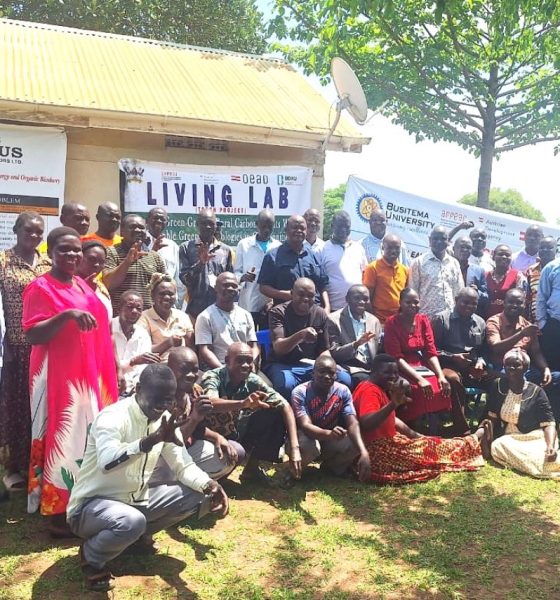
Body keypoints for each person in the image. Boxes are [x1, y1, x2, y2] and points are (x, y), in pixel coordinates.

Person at [67, 364, 228, 592]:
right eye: (157, 399)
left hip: (133, 501)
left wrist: (210, 484)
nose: (163, 405)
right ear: (138, 389)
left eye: (168, 400)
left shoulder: (165, 420)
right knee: (131, 521)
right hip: (89, 508)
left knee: (196, 494)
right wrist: (150, 441)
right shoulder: (113, 417)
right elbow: (107, 462)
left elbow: (182, 465)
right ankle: (91, 556)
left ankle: (133, 540)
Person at [23, 226, 118, 536]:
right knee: (64, 437)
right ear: (50, 252)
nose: (72, 254)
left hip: (87, 374)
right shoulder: (40, 287)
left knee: (85, 437)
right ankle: (57, 513)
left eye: (76, 249)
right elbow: (33, 334)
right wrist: (67, 315)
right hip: (58, 376)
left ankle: (82, 499)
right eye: (64, 249)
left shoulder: (81, 284)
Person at [353, 354, 488, 484]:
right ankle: (474, 440)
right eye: (387, 372)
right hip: (379, 452)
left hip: (391, 442)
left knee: (430, 444)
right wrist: (393, 404)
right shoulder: (370, 391)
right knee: (431, 454)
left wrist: (416, 436)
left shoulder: (378, 388)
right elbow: (367, 423)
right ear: (373, 371)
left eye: (395, 372)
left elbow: (392, 419)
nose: (393, 376)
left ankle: (473, 442)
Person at [201, 342, 302, 484]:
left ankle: (251, 470)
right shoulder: (213, 377)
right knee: (235, 450)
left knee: (275, 412)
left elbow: (285, 406)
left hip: (238, 431)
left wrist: (294, 448)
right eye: (240, 361)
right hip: (210, 434)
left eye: (249, 361)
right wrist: (242, 404)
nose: (245, 365)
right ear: (227, 361)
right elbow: (210, 403)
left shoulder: (253, 380)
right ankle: (215, 479)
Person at [0, 212, 51, 492]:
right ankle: (13, 467)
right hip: (16, 348)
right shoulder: (3, 262)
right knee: (16, 407)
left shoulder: (48, 263)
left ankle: (39, 464)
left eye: (38, 232)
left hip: (45, 346)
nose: (34, 236)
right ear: (16, 230)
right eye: (28, 231)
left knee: (40, 406)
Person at [150, 347, 245, 484]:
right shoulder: (157, 397)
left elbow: (198, 429)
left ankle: (194, 484)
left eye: (194, 370)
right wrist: (194, 418)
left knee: (233, 452)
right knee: (168, 470)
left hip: (183, 451)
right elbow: (168, 445)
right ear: (169, 369)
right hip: (157, 459)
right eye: (184, 369)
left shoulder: (195, 391)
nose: (191, 375)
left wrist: (217, 437)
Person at [264, 278, 352, 400]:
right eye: (301, 294)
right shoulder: (278, 312)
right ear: (292, 293)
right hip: (283, 364)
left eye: (310, 296)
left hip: (310, 364)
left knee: (344, 378)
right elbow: (279, 348)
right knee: (286, 384)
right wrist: (300, 336)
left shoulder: (320, 313)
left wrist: (330, 365)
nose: (306, 299)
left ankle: (325, 410)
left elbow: (324, 350)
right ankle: (291, 412)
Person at [289, 355, 370, 481]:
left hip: (328, 438)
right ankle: (292, 472)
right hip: (305, 437)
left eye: (331, 373)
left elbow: (353, 423)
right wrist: (329, 434)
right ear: (313, 373)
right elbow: (305, 426)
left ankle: (329, 469)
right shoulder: (300, 392)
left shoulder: (343, 391)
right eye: (322, 372)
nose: (327, 376)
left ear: (336, 375)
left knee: (355, 443)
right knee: (310, 446)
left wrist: (364, 452)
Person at [383, 288, 451, 434]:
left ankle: (434, 430)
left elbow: (431, 351)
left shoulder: (423, 320)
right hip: (399, 366)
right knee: (415, 388)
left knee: (437, 385)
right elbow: (396, 357)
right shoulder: (391, 323)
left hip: (420, 363)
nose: (413, 305)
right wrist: (420, 379)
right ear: (400, 303)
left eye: (416, 302)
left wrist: (440, 375)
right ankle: (413, 429)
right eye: (408, 302)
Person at [431, 287, 498, 435]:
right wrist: (452, 357)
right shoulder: (441, 319)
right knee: (452, 379)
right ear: (456, 300)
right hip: (448, 365)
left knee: (499, 381)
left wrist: (481, 361)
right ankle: (462, 429)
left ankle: (485, 425)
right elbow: (431, 350)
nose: (469, 306)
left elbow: (484, 350)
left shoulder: (480, 322)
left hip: (473, 367)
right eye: (465, 302)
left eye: (474, 303)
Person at [487, 349, 560, 479]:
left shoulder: (537, 392)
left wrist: (550, 445)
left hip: (534, 437)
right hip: (510, 439)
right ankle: (541, 467)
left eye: (516, 365)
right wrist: (479, 435)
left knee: (544, 454)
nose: (511, 368)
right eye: (508, 365)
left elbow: (549, 423)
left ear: (525, 368)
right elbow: (491, 417)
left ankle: (545, 463)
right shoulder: (498, 385)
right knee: (498, 445)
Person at [485, 289, 559, 414]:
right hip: (502, 367)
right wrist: (521, 334)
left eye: (519, 303)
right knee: (518, 376)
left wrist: (545, 369)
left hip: (526, 368)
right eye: (511, 302)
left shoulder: (527, 325)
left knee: (556, 378)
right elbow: (496, 348)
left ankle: (549, 418)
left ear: (524, 305)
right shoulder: (494, 322)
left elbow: (536, 352)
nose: (514, 305)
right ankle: (516, 417)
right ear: (504, 303)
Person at [258, 215, 329, 309]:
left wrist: (327, 307)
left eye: (302, 228)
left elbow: (323, 286)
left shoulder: (314, 256)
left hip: (314, 311)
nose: (299, 231)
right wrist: (286, 295)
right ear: (286, 230)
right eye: (295, 227)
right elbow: (263, 287)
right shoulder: (272, 256)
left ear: (306, 231)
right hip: (286, 311)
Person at [103, 214, 166, 313]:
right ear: (122, 231)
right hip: (120, 316)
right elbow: (108, 283)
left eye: (141, 227)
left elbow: (164, 286)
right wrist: (127, 262)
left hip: (148, 317)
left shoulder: (154, 256)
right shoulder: (111, 252)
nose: (137, 230)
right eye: (132, 227)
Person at [179, 208, 234, 320]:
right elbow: (185, 280)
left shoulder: (226, 250)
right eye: (204, 223)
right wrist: (201, 264)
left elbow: (230, 281)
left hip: (220, 311)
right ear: (197, 224)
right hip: (195, 311)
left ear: (216, 225)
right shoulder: (186, 248)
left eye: (211, 224)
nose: (208, 227)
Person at [195, 272, 258, 369]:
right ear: (215, 288)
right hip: (219, 367)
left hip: (245, 366)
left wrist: (250, 364)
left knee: (266, 380)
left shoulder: (246, 315)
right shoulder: (205, 317)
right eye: (226, 285)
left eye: (234, 286)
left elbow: (253, 346)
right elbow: (205, 350)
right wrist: (225, 372)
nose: (230, 288)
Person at [327, 284, 382, 389]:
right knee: (367, 383)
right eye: (357, 298)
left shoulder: (374, 321)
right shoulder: (333, 320)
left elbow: (379, 349)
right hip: (349, 367)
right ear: (347, 299)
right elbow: (334, 353)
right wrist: (356, 344)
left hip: (371, 367)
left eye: (365, 299)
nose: (362, 302)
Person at [234, 209, 281, 329]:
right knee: (247, 337)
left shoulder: (278, 247)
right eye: (263, 226)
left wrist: (273, 300)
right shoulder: (244, 245)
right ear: (256, 224)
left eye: (270, 226)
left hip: (269, 304)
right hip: (248, 302)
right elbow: (236, 272)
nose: (266, 230)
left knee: (266, 338)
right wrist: (243, 277)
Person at [408, 226, 464, 318]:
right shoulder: (418, 262)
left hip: (449, 318)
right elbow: (412, 292)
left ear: (448, 241)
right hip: (426, 317)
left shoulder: (454, 263)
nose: (439, 242)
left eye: (443, 239)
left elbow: (459, 291)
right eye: (435, 238)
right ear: (429, 240)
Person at [138, 273, 195, 362]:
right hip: (157, 366)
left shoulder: (182, 316)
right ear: (153, 295)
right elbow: (143, 351)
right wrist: (169, 342)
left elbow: (191, 347)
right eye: (162, 294)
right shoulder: (143, 318)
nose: (167, 297)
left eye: (171, 294)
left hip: (182, 364)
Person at [112, 291, 157, 396]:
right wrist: (132, 362)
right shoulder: (107, 329)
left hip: (133, 391)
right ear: (118, 309)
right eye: (129, 307)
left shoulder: (142, 334)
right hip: (108, 388)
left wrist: (136, 386)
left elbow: (143, 368)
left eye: (138, 308)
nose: (134, 311)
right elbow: (105, 366)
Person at [321, 210, 368, 312]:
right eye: (340, 226)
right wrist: (326, 306)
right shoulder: (323, 249)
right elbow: (321, 282)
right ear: (332, 226)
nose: (343, 230)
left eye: (347, 226)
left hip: (356, 309)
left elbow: (365, 275)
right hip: (333, 309)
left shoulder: (359, 248)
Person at [362, 234, 409, 324]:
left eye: (397, 248)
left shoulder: (404, 270)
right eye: (390, 247)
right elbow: (367, 298)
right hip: (379, 320)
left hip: (398, 321)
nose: (393, 251)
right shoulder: (373, 268)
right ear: (383, 247)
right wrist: (373, 321)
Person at [144, 207, 185, 305]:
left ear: (167, 223)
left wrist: (177, 302)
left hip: (168, 301)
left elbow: (178, 278)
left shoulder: (172, 246)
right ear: (147, 221)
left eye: (162, 219)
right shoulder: (140, 243)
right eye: (155, 218)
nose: (159, 221)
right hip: (145, 300)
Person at [485, 244, 526, 318]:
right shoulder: (485, 276)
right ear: (493, 256)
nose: (504, 257)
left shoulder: (518, 276)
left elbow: (521, 301)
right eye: (500, 254)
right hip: (484, 316)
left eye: (507, 255)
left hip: (508, 320)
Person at [452, 236, 489, 316]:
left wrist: (477, 292)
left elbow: (486, 297)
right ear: (454, 248)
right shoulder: (445, 267)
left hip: (467, 315)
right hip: (447, 313)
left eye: (468, 248)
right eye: (462, 247)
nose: (465, 250)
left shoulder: (478, 271)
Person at [536, 253, 560, 372]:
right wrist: (543, 324)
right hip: (554, 325)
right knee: (552, 367)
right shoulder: (552, 267)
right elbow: (541, 297)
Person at [77, 240, 113, 317]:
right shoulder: (67, 285)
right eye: (92, 259)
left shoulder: (101, 288)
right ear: (79, 258)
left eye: (101, 262)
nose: (97, 265)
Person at [525, 236, 556, 323]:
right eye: (542, 248)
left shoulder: (558, 270)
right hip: (533, 321)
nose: (545, 250)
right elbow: (527, 297)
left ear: (556, 250)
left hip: (554, 321)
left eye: (549, 248)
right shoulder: (531, 270)